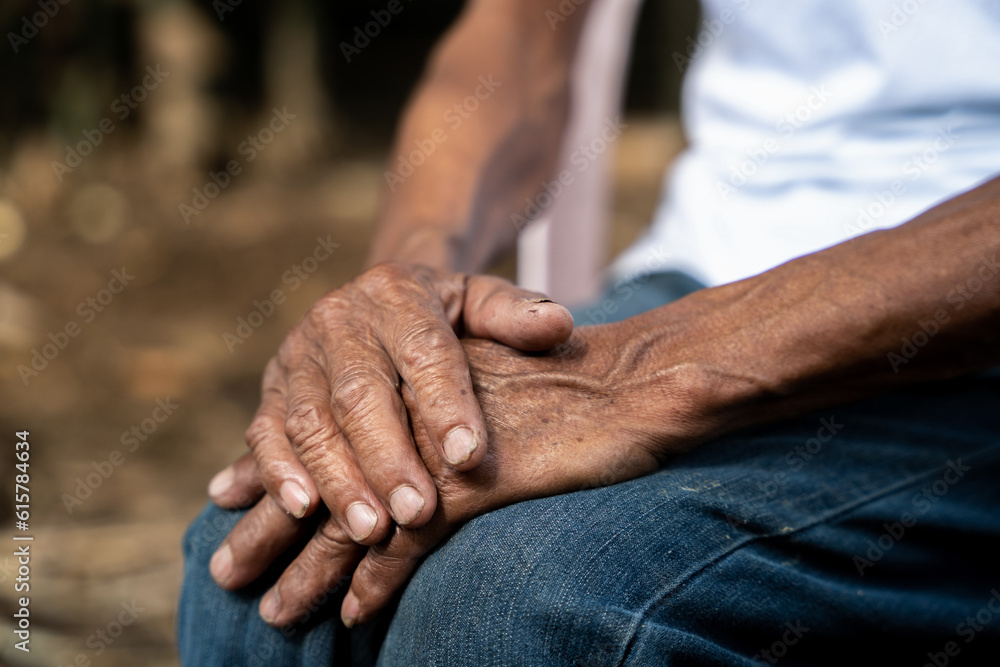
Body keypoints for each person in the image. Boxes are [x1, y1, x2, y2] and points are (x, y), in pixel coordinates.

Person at [178, 0, 1000, 664]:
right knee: (266, 549)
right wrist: (406, 303)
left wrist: (647, 374)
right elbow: (521, 30)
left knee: (520, 596)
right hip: (705, 266)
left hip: (966, 318)